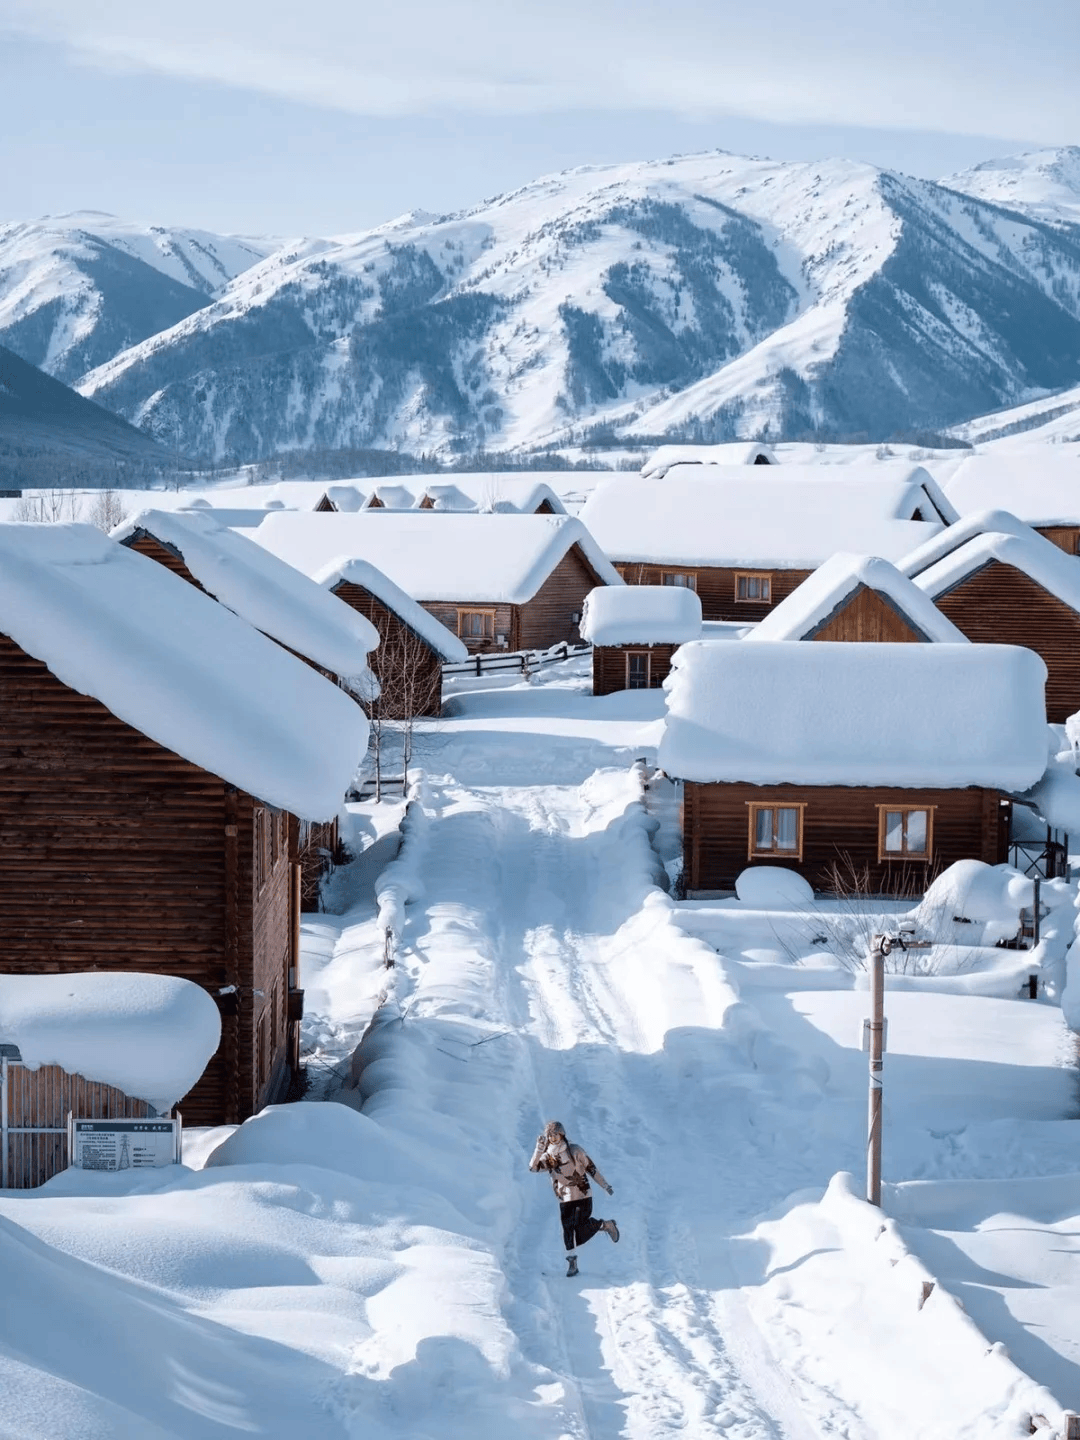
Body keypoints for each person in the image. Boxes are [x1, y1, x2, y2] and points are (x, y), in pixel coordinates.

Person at [528, 1119, 619, 1277]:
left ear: (562, 1135)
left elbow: (591, 1168)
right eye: (550, 1137)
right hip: (565, 1198)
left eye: (556, 1136)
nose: (553, 1139)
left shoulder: (575, 1150)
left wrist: (605, 1185)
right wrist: (538, 1149)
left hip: (583, 1195)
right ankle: (572, 1263)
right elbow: (533, 1168)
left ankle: (604, 1225)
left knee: (580, 1229)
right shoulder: (548, 1157)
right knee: (568, 1231)